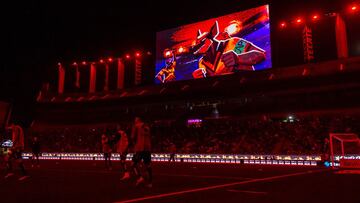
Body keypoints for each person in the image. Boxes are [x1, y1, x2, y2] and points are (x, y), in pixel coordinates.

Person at [121, 117, 152, 188]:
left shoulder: (136, 126)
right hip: (148, 148)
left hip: (140, 148)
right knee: (148, 165)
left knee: (133, 164)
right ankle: (150, 183)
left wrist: (130, 147)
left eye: (135, 121)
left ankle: (140, 177)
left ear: (137, 121)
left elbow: (132, 137)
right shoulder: (147, 126)